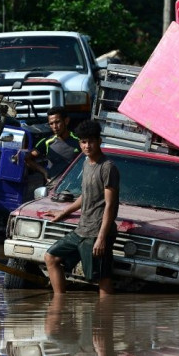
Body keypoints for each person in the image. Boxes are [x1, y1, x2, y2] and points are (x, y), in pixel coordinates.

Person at [44, 120, 120, 296]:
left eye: (91, 141)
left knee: (102, 278)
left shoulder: (108, 168)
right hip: (82, 229)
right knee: (51, 257)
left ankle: (103, 320)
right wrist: (63, 212)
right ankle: (58, 304)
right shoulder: (86, 163)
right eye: (83, 142)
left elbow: (110, 205)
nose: (87, 146)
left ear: (99, 141)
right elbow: (86, 195)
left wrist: (101, 238)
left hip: (97, 233)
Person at [25, 106, 80, 183]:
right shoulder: (47, 142)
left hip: (73, 187)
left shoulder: (80, 141)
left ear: (66, 121)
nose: (54, 126)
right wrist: (44, 172)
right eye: (51, 123)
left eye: (57, 122)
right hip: (52, 187)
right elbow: (28, 158)